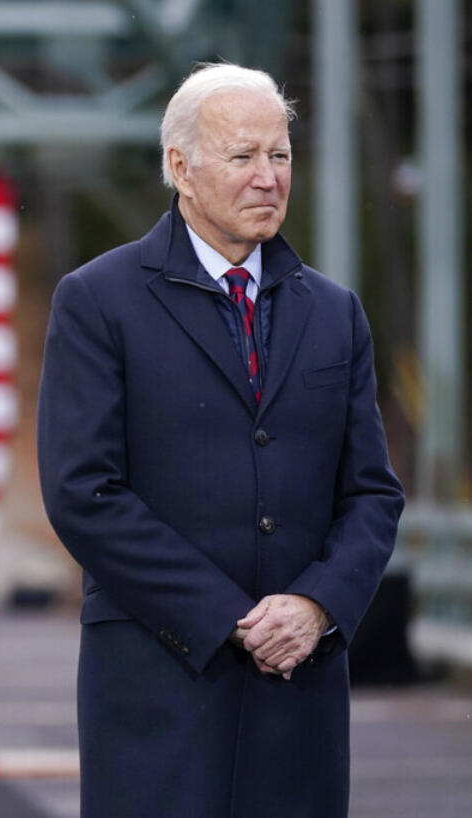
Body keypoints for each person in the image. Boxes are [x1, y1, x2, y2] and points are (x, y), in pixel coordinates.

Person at [36, 62, 404, 818]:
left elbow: (371, 492)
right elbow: (84, 492)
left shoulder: (336, 314)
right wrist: (229, 617)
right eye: (243, 157)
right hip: (161, 688)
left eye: (281, 156)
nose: (268, 178)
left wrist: (315, 606)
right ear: (181, 168)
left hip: (298, 697)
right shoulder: (98, 302)